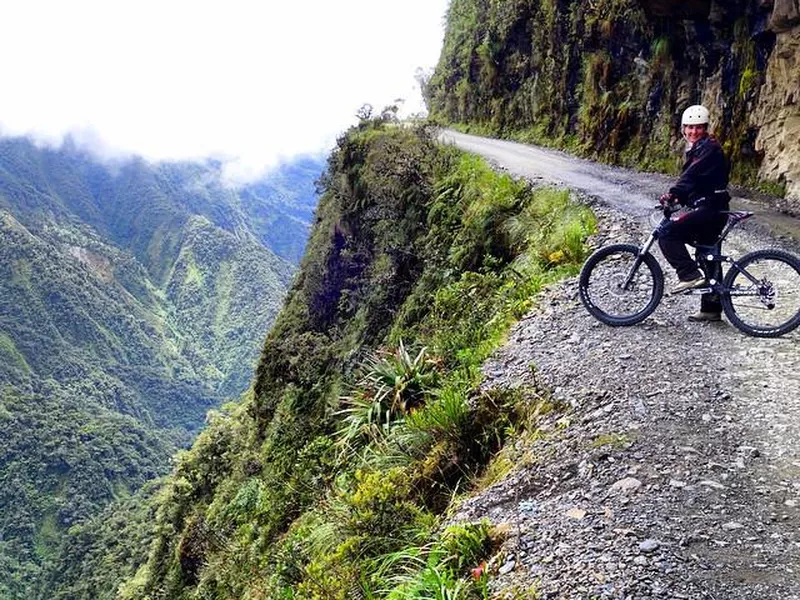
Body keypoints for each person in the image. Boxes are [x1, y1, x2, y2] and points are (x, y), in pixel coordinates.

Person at [658, 104, 731, 322]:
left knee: (668, 233)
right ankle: (711, 309)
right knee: (707, 255)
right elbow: (698, 182)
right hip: (711, 207)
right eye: (689, 127)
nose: (693, 132)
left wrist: (673, 193)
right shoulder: (700, 148)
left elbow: (691, 175)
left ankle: (689, 275)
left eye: (698, 127)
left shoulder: (708, 148)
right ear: (683, 129)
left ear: (705, 128)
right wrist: (680, 199)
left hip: (711, 209)